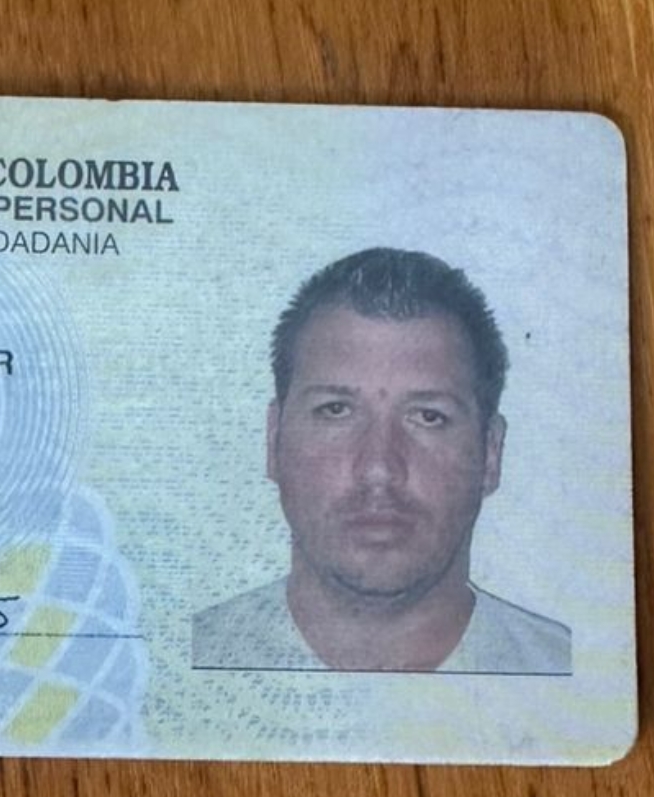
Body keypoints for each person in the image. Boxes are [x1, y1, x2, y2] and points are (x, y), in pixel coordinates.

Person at [192, 248, 572, 674]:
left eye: (428, 417)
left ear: (491, 453)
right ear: (273, 440)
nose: (378, 469)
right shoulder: (173, 665)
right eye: (335, 410)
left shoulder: (578, 680)